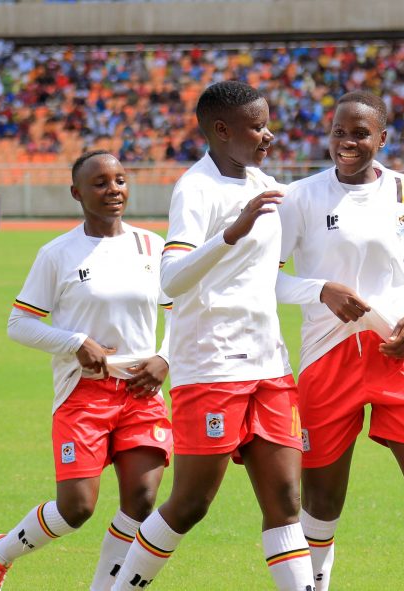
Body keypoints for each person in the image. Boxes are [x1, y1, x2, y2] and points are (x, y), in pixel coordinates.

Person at [111, 81, 315, 591]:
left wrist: (385, 183)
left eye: (268, 125)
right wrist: (230, 234)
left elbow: (318, 198)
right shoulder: (196, 189)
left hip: (269, 364)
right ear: (222, 130)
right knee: (191, 504)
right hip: (212, 364)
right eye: (257, 127)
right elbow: (170, 278)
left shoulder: (262, 183)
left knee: (286, 501)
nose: (268, 135)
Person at [276, 91, 404, 591]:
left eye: (360, 133)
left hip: (397, 354)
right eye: (339, 132)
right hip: (327, 358)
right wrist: (320, 290)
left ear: (381, 138)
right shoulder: (300, 197)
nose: (347, 142)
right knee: (321, 502)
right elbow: (267, 278)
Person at [0, 151, 174, 591]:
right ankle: (0, 552)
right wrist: (75, 342)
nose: (113, 190)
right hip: (83, 391)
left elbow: (180, 312)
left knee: (141, 501)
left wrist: (165, 357)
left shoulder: (152, 245)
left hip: (142, 390)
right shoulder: (57, 254)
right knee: (76, 508)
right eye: (100, 183)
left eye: (120, 180)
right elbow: (19, 323)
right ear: (76, 193)